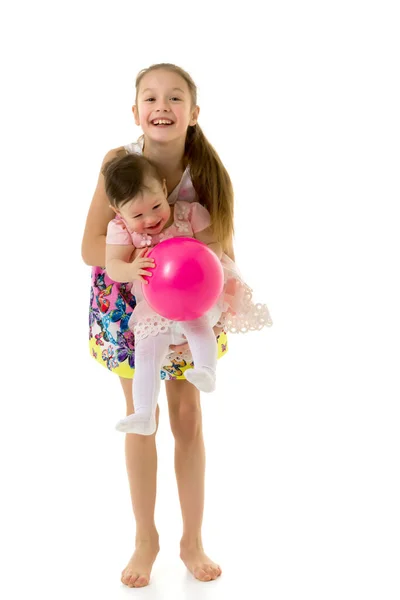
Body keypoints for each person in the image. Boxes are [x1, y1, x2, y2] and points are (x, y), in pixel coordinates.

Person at [81, 63, 269, 588]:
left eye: (175, 98)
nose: (162, 106)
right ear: (136, 111)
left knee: (187, 416)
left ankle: (192, 540)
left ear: (193, 113)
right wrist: (136, 256)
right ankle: (146, 538)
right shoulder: (119, 165)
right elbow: (89, 245)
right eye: (150, 97)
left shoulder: (206, 173)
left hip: (190, 309)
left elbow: (222, 249)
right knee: (142, 416)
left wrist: (199, 273)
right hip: (130, 303)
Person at [103, 153, 272, 435]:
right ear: (118, 212)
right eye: (138, 215)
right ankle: (143, 414)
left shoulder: (188, 213)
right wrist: (131, 268)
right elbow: (113, 266)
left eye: (157, 206)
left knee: (197, 323)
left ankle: (207, 370)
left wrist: (199, 257)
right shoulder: (120, 230)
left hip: (196, 293)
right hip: (155, 305)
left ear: (164, 186)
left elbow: (214, 244)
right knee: (146, 351)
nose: (151, 219)